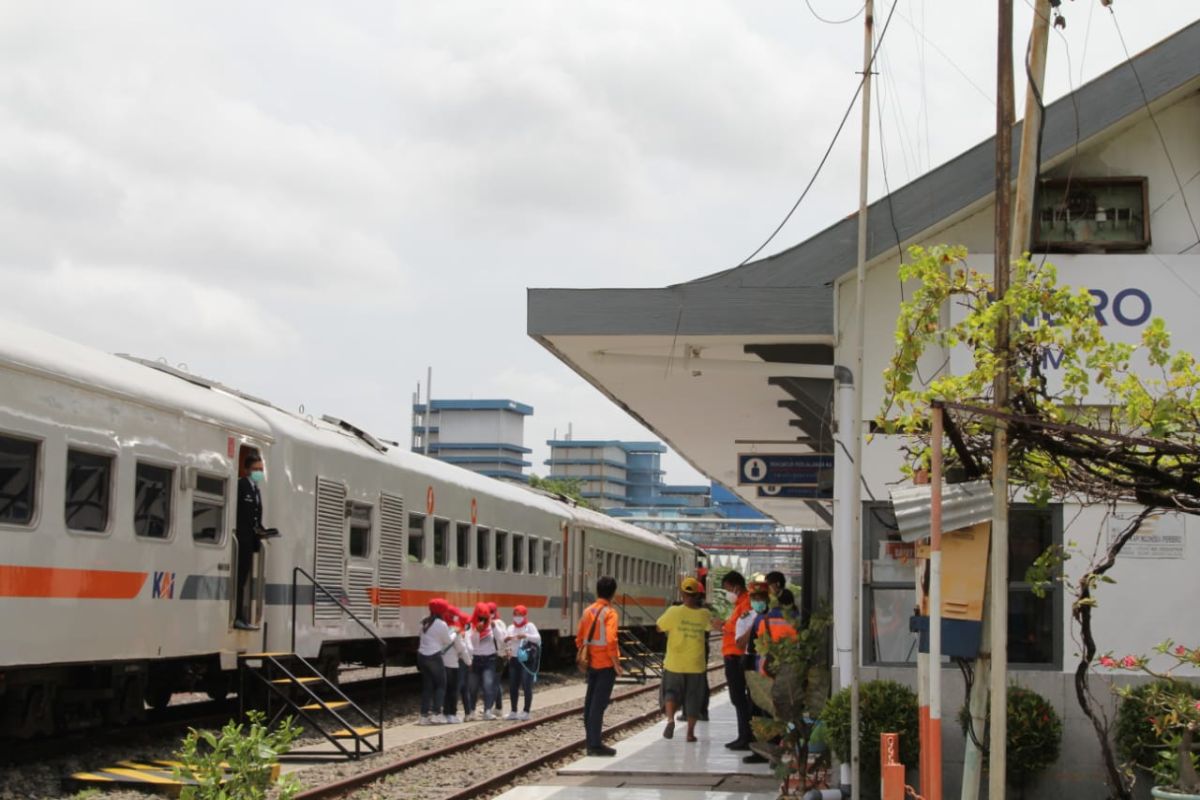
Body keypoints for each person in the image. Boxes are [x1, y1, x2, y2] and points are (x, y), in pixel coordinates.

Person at [656, 577, 712, 743]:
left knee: (670, 693)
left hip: (674, 663)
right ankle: (690, 733)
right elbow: (712, 627)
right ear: (697, 595)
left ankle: (671, 720)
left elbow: (659, 627)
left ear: (682, 594)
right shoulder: (704, 614)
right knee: (693, 698)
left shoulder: (674, 612)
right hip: (696, 664)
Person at [576, 576, 623, 756]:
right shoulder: (610, 613)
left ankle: (591, 741)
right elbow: (611, 640)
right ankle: (595, 745)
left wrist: (587, 653)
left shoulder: (589, 611)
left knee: (590, 704)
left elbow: (579, 638)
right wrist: (616, 663)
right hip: (605, 664)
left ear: (597, 591)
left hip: (591, 664)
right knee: (598, 704)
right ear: (613, 593)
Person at [234, 452, 278, 630]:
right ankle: (237, 616)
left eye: (261, 469)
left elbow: (255, 517)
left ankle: (243, 616)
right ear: (246, 470)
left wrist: (262, 530)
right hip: (242, 540)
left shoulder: (256, 489)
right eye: (255, 469)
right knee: (239, 580)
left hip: (251, 541)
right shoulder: (241, 485)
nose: (259, 472)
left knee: (245, 580)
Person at [711, 570, 753, 750]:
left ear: (736, 586)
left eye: (727, 588)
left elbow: (742, 626)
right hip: (733, 655)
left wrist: (722, 625)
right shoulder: (740, 603)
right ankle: (743, 735)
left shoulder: (747, 602)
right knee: (738, 698)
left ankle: (746, 737)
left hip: (738, 656)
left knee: (739, 697)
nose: (727, 593)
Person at [735, 576, 775, 764]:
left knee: (771, 708)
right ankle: (758, 748)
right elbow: (739, 643)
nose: (758, 601)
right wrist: (755, 624)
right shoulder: (745, 618)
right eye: (755, 597)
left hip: (770, 664)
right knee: (755, 708)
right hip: (752, 663)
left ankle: (773, 747)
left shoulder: (775, 616)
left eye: (761, 597)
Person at [416, 598, 454, 725]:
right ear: (442, 611)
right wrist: (455, 634)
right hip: (434, 656)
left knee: (427, 686)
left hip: (421, 656)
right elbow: (448, 641)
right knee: (441, 685)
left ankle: (423, 716)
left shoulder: (424, 622)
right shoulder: (441, 624)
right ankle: (437, 714)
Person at [467, 601, 504, 719]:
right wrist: (477, 632)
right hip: (475, 659)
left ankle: (487, 711)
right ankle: (471, 711)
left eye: (485, 617)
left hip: (490, 659)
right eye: (480, 617)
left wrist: (494, 627)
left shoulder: (492, 626)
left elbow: (501, 639)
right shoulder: (470, 626)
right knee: (473, 687)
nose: (482, 620)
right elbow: (472, 645)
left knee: (488, 685)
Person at [504, 604, 541, 720]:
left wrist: (525, 635)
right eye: (515, 615)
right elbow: (507, 643)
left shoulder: (529, 626)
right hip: (514, 659)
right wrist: (507, 646)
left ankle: (526, 711)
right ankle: (513, 711)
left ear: (525, 615)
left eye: (520, 615)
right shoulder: (510, 628)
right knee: (513, 686)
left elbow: (537, 638)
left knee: (526, 686)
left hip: (526, 660)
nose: (517, 617)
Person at [441, 606, 472, 723]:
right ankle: (451, 714)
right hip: (453, 663)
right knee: (453, 690)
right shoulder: (456, 630)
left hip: (441, 662)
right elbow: (462, 648)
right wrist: (469, 662)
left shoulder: (442, 627)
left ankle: (444, 713)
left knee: (444, 689)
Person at [488, 601, 506, 714]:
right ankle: (498, 708)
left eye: (491, 612)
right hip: (491, 656)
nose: (489, 614)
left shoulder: (498, 623)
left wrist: (494, 627)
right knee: (495, 682)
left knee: (493, 682)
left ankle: (489, 708)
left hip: (498, 656)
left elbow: (502, 638)